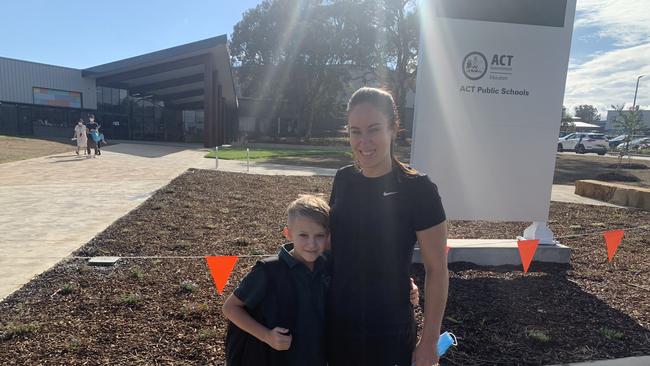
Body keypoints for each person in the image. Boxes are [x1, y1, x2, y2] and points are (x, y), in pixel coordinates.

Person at [326, 87, 449, 366]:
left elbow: (437, 270)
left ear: (394, 129)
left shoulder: (419, 189)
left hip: (389, 328)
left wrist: (429, 341)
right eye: (355, 131)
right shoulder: (343, 179)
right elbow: (334, 248)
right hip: (338, 323)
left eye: (374, 129)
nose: (364, 141)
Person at [222, 195, 420, 366]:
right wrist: (267, 335)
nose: (311, 243)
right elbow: (230, 308)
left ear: (328, 237)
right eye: (303, 235)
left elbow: (368, 277)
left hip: (318, 357)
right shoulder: (268, 270)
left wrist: (407, 286)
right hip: (276, 358)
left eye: (319, 236)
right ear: (288, 233)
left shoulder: (331, 265)